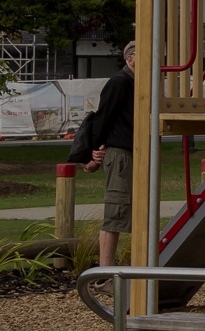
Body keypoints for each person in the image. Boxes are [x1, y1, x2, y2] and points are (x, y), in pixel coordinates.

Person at [78, 42, 136, 289]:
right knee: (116, 212)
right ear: (131, 59)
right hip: (120, 155)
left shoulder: (139, 84)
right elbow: (102, 117)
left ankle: (115, 272)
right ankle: (105, 275)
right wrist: (94, 152)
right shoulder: (120, 81)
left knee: (129, 211)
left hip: (134, 154)